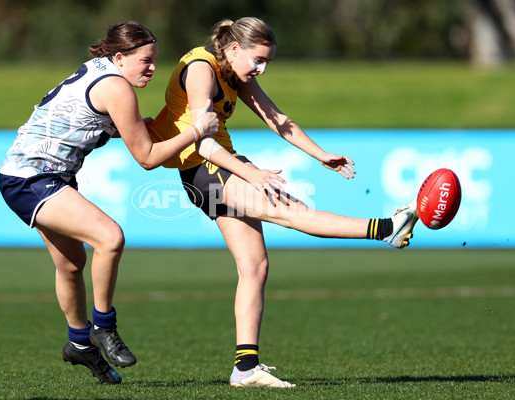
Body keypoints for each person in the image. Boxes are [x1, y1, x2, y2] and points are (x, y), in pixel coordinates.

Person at [147, 17, 419, 388]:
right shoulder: (200, 70)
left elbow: (277, 119)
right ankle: (387, 229)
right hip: (204, 169)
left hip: (221, 166)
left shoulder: (234, 72)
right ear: (234, 49)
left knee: (255, 266)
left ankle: (245, 369)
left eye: (267, 63)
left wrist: (320, 154)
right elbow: (203, 142)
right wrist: (250, 174)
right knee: (293, 213)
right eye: (257, 60)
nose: (260, 69)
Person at [0, 21, 219, 384]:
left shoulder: (101, 71)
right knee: (110, 237)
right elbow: (147, 158)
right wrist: (197, 131)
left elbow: (78, 114)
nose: (151, 68)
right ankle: (104, 325)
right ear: (119, 56)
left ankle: (79, 344)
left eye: (155, 60)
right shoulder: (117, 88)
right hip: (30, 178)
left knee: (72, 265)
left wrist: (123, 127)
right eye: (145, 60)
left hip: (38, 173)